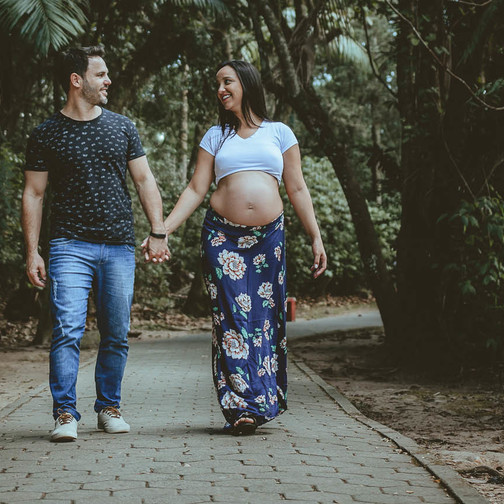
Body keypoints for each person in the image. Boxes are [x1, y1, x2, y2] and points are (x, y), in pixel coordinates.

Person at [147, 59, 326, 435]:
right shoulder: (216, 135)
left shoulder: (280, 133)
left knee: (263, 319)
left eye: (227, 81)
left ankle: (260, 400)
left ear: (246, 83)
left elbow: (296, 188)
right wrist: (162, 231)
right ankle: (240, 406)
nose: (220, 89)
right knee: (230, 320)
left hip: (268, 239)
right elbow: (197, 188)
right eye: (218, 84)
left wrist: (315, 236)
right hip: (221, 238)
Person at [22, 45, 168, 443]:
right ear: (76, 80)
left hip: (119, 246)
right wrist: (33, 251)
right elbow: (34, 194)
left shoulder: (122, 126)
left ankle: (108, 408)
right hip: (68, 245)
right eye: (100, 74)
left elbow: (144, 180)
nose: (108, 81)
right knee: (67, 330)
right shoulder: (46, 133)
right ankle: (66, 413)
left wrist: (158, 230)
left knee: (116, 332)